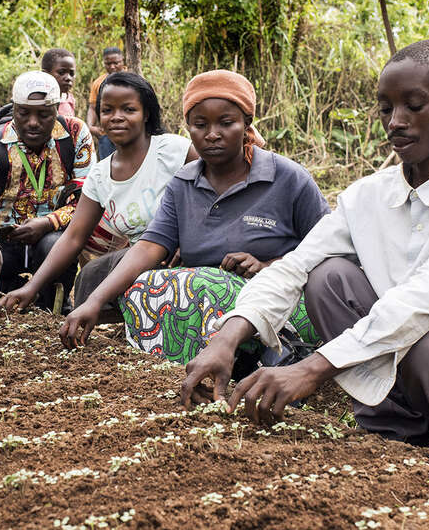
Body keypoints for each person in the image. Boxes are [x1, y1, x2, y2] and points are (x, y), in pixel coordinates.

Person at [181, 40, 429, 476]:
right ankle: (393, 433)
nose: (396, 122)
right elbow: (295, 267)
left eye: (414, 106)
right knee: (328, 277)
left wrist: (314, 368)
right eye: (385, 108)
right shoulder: (367, 196)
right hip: (410, 369)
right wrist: (228, 337)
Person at [60, 70, 329, 370]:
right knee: (145, 286)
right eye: (200, 125)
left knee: (199, 285)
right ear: (188, 127)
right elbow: (149, 247)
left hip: (284, 301)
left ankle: (277, 352)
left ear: (247, 124)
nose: (212, 134)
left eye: (226, 123)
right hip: (208, 305)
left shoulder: (288, 177)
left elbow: (328, 249)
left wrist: (269, 266)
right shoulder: (183, 183)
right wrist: (94, 301)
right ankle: (195, 369)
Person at [0, 72, 198, 313]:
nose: (116, 118)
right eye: (107, 111)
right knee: (89, 279)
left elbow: (215, 194)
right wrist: (31, 288)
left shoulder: (173, 150)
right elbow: (74, 237)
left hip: (188, 255)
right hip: (142, 260)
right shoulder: (100, 175)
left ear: (146, 114)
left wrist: (190, 242)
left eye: (128, 110)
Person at [0, 71, 96, 310]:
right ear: (14, 110)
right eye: (24, 113)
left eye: (44, 114)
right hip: (2, 238)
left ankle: (51, 305)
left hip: (52, 237)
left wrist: (48, 222)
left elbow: (87, 199)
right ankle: (9, 295)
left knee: (55, 246)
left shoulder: (76, 135)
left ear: (57, 110)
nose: (33, 122)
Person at [87, 47, 125, 160]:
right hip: (106, 134)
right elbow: (92, 107)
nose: (112, 67)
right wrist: (90, 127)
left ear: (122, 60)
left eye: (116, 63)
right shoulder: (98, 83)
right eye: (108, 64)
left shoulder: (133, 78)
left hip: (129, 132)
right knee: (107, 167)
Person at [42, 48, 77, 118]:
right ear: (45, 74)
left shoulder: (70, 100)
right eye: (61, 72)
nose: (68, 78)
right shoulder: (39, 102)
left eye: (71, 73)